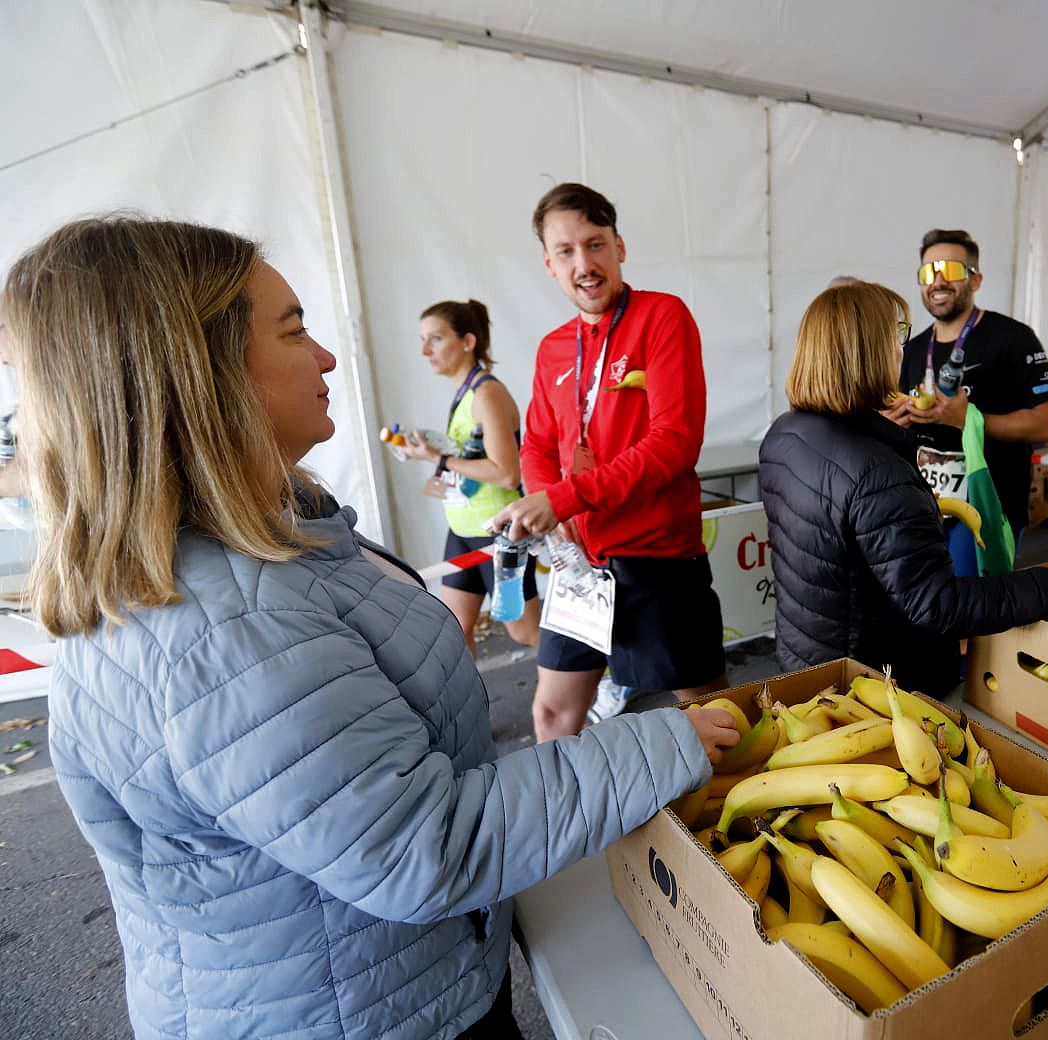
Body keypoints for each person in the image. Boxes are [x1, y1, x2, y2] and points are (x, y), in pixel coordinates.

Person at [4, 217, 739, 1040]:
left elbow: (667, 440)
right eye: (295, 330)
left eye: (593, 244)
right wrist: (662, 744)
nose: (324, 357)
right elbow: (424, 844)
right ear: (199, 374)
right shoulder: (218, 627)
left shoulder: (275, 541)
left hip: (392, 980)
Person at [761, 280, 1048, 697]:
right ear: (870, 352)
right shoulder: (876, 473)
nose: (902, 349)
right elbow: (939, 605)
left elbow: (839, 547)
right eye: (896, 335)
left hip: (808, 661)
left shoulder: (785, 435)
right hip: (881, 688)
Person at [491, 183, 727, 740]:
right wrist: (549, 510)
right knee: (552, 713)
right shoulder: (553, 347)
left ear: (619, 247)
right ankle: (574, 825)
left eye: (594, 245)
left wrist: (564, 499)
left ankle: (738, 820)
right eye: (567, 252)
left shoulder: (662, 317)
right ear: (548, 264)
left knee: (712, 714)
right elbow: (538, 446)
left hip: (658, 561)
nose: (585, 264)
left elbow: (674, 443)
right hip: (580, 568)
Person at [887, 229, 1048, 572]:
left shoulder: (1013, 338)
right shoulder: (914, 348)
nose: (937, 281)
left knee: (976, 611)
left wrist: (969, 420)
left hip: (988, 504)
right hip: (926, 505)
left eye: (950, 270)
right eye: (927, 272)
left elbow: (1044, 424)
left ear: (976, 280)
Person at [395, 299, 541, 656]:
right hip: (462, 531)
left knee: (525, 632)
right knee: (456, 629)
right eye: (422, 339)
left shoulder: (486, 393)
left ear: (467, 341)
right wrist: (428, 451)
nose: (424, 350)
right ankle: (473, 712)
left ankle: (604, 675)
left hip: (498, 533)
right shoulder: (464, 394)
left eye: (435, 339)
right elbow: (469, 459)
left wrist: (440, 457)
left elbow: (506, 473)